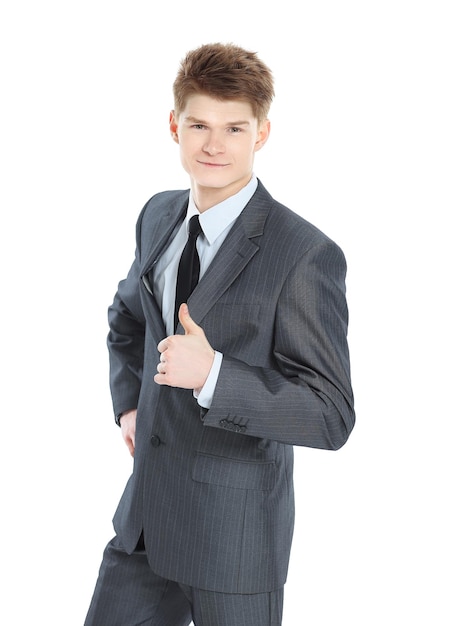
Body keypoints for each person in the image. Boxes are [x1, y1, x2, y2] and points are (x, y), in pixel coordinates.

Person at [84, 42, 355, 626]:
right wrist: (129, 404)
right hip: (143, 527)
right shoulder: (158, 214)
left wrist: (214, 376)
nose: (214, 145)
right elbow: (129, 316)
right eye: (200, 125)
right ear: (174, 125)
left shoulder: (304, 254)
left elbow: (331, 414)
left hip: (233, 544)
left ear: (261, 134)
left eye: (234, 128)